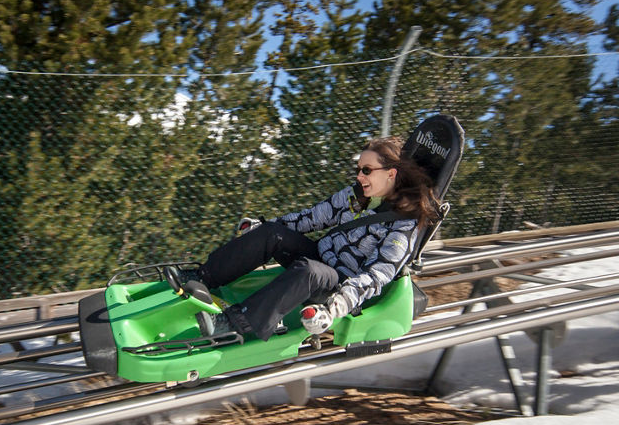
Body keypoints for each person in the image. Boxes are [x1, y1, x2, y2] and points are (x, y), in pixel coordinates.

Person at [185, 136, 441, 342]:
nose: (359, 176)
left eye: (366, 170)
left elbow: (377, 275)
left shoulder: (403, 224)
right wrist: (264, 227)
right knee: (272, 233)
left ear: (391, 174)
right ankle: (203, 277)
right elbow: (311, 218)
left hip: (342, 283)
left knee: (308, 271)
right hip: (321, 256)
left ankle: (234, 323)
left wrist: (336, 306)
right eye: (358, 170)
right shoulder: (356, 196)